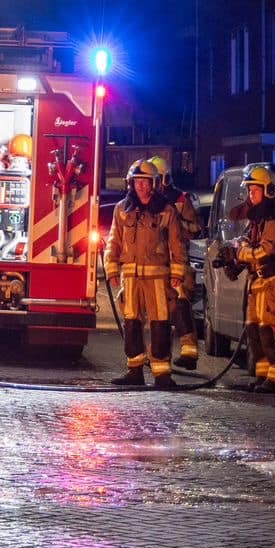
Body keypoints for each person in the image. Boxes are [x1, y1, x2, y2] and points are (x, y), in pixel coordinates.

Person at [103, 160, 185, 389]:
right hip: (131, 277)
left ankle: (162, 374)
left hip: (158, 277)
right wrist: (111, 269)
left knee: (160, 323)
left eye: (145, 182)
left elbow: (177, 244)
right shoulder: (122, 209)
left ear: (154, 184)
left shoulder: (166, 210)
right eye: (137, 182)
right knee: (131, 322)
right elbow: (113, 241)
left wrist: (177, 271)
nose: (140, 187)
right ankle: (134, 369)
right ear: (131, 183)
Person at [229, 161, 275, 390]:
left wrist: (242, 253)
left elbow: (266, 251)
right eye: (249, 190)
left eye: (254, 190)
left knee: (271, 329)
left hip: (271, 283)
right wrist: (235, 254)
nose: (250, 194)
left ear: (268, 190)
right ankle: (263, 373)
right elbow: (246, 241)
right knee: (254, 329)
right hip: (257, 283)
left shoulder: (273, 221)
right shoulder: (257, 220)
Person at [147, 156, 203, 363]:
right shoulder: (148, 202)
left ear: (163, 179)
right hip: (157, 263)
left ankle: (189, 351)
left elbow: (197, 229)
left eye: (154, 179)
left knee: (180, 305)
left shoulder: (180, 201)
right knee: (159, 310)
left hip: (177, 260)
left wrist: (176, 223)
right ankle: (159, 354)